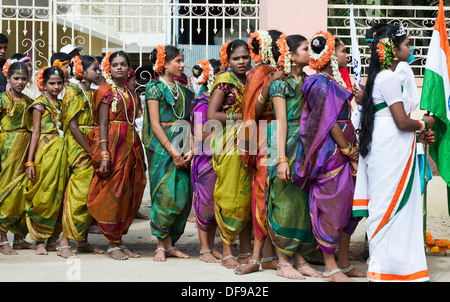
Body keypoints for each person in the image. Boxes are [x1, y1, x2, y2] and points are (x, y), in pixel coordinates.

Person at [353, 24, 434, 282]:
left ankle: (395, 269)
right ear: (393, 48)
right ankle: (389, 268)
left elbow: (389, 119)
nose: (410, 49)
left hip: (389, 146)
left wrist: (417, 134)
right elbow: (400, 121)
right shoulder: (388, 77)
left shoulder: (379, 76)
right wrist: (424, 124)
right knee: (393, 206)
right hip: (390, 149)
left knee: (390, 205)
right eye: (407, 44)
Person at [291, 31, 365, 282]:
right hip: (331, 152)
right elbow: (328, 120)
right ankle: (331, 267)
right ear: (332, 55)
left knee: (350, 207)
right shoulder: (319, 83)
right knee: (332, 205)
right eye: (343, 51)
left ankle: (343, 264)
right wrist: (348, 150)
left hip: (345, 146)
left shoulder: (332, 81)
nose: (347, 55)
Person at [263, 34, 322, 280]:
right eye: (306, 49)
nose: (311, 53)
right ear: (291, 55)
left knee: (302, 203)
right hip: (284, 143)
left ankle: (299, 258)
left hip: (305, 144)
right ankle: (283, 261)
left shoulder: (309, 81)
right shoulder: (280, 83)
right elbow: (281, 122)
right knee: (284, 202)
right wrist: (282, 159)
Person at [86, 51, 147, 260]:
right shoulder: (105, 91)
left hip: (130, 146)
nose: (119, 68)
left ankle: (119, 240)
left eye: (123, 64)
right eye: (115, 65)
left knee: (128, 193)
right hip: (113, 146)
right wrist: (104, 153)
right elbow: (102, 124)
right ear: (108, 69)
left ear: (129, 68)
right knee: (113, 192)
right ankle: (112, 244)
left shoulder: (131, 93)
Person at [234, 29, 284, 275]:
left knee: (279, 197)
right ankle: (255, 258)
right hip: (265, 137)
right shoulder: (260, 72)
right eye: (281, 45)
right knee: (262, 196)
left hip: (286, 138)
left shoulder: (280, 72)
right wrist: (270, 86)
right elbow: (251, 111)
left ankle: (271, 256)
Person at [143, 45, 194, 262]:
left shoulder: (183, 89)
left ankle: (171, 244)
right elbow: (155, 124)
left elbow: (188, 121)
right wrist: (173, 152)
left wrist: (191, 148)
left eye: (182, 61)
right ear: (165, 63)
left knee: (182, 196)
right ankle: (160, 245)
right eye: (178, 61)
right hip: (162, 148)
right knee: (165, 196)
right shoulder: (154, 88)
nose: (182, 65)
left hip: (182, 143)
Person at [206, 39, 253, 269]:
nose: (241, 62)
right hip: (228, 143)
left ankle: (246, 250)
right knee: (229, 194)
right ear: (228, 60)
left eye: (245, 57)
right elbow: (211, 115)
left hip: (249, 140)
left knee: (246, 194)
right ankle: (226, 251)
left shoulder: (251, 79)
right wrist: (239, 118)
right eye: (236, 58)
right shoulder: (224, 80)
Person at [59, 55, 104, 257]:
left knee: (89, 194)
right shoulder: (71, 91)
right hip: (78, 145)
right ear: (82, 71)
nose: (98, 72)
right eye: (95, 69)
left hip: (90, 142)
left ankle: (82, 241)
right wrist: (89, 149)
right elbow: (72, 126)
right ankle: (64, 243)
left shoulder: (92, 92)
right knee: (78, 192)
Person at [24, 66, 67, 256]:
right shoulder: (39, 104)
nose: (56, 87)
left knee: (58, 195)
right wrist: (29, 161)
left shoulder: (63, 103)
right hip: (44, 152)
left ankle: (52, 239)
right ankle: (39, 239)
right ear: (44, 84)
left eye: (59, 83)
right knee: (43, 195)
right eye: (52, 83)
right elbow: (34, 133)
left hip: (61, 153)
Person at [0, 61, 35, 255]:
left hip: (25, 148)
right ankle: (2, 237)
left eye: (23, 79)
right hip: (7, 148)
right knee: (7, 193)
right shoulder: (2, 100)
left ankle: (19, 238)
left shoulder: (29, 102)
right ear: (8, 79)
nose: (20, 82)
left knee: (23, 194)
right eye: (16, 78)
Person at [190, 58, 223, 263]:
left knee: (214, 204)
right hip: (205, 159)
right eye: (219, 72)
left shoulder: (214, 101)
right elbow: (200, 135)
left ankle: (210, 247)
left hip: (217, 156)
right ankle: (204, 249)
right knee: (204, 204)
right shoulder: (203, 104)